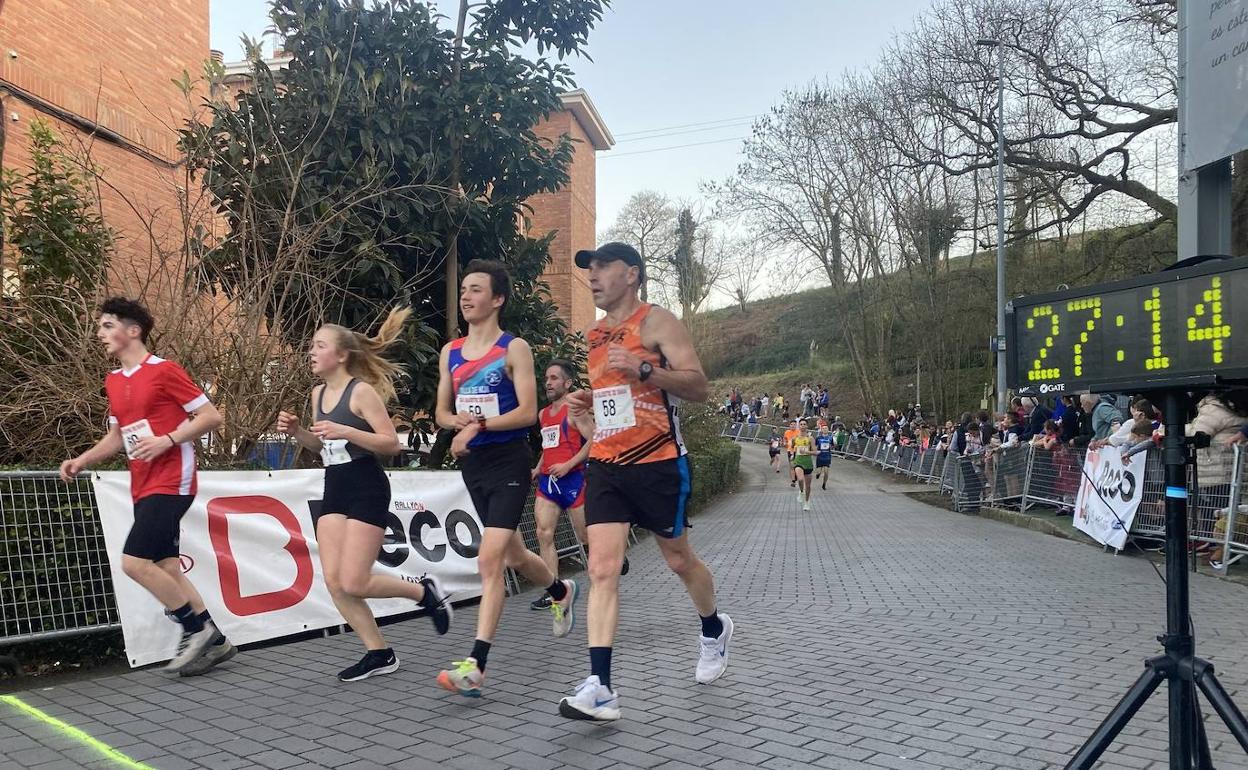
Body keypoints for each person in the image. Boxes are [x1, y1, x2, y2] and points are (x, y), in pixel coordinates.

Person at [558, 242, 731, 722]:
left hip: (658, 463)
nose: (592, 276)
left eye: (602, 267)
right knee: (601, 569)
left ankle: (713, 628)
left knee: (678, 559)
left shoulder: (658, 323)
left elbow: (698, 386)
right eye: (588, 269)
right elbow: (616, 399)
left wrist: (646, 368)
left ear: (631, 274)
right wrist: (588, 404)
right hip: (609, 465)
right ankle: (601, 688)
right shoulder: (592, 334)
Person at [60, 297, 234, 674]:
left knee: (134, 563)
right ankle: (217, 641)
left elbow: (210, 416)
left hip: (173, 480)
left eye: (107, 326)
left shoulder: (164, 371)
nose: (99, 333)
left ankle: (195, 630)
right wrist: (82, 460)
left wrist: (167, 440)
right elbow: (116, 438)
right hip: (143, 484)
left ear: (133, 330)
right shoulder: (113, 380)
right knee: (167, 566)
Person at [276, 308, 452, 681]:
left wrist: (347, 430)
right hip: (335, 484)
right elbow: (321, 447)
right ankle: (380, 653)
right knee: (336, 582)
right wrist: (297, 432)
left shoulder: (361, 392)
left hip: (366, 485)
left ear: (341, 356)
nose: (311, 351)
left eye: (319, 346)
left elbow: (390, 444)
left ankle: (423, 593)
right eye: (312, 345)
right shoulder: (318, 394)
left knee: (355, 581)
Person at [435, 260, 578, 698]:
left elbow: (527, 412)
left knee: (489, 558)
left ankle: (476, 664)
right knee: (514, 554)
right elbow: (440, 412)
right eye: (463, 289)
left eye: (475, 289)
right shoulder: (451, 352)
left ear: (497, 299)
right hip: (473, 466)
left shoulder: (513, 348)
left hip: (509, 462)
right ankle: (560, 588)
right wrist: (456, 423)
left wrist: (476, 426)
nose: (465, 296)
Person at [530, 359, 613, 612]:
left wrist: (568, 464)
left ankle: (608, 570)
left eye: (554, 378)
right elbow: (548, 445)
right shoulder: (543, 414)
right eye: (547, 378)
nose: (548, 382)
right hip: (548, 482)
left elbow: (595, 439)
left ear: (567, 383)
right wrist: (537, 467)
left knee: (587, 536)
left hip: (574, 479)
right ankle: (554, 590)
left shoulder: (576, 410)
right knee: (543, 534)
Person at [814, 424, 834, 491]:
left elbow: (832, 446)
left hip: (827, 457)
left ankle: (824, 484)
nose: (825, 429)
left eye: (826, 428)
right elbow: (815, 446)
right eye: (823, 428)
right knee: (818, 472)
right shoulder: (818, 438)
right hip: (820, 457)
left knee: (826, 472)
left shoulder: (830, 438)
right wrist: (815, 451)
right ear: (821, 430)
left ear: (828, 430)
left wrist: (832, 446)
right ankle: (818, 474)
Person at [783, 419, 800, 487]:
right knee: (792, 466)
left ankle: (796, 476)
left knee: (797, 466)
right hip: (790, 451)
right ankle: (793, 481)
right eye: (791, 424)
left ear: (796, 425)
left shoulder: (799, 432)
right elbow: (784, 439)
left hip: (798, 451)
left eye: (794, 424)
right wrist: (784, 443)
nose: (793, 426)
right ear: (789, 425)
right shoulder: (787, 432)